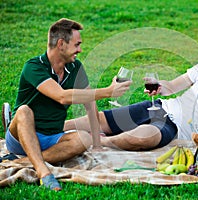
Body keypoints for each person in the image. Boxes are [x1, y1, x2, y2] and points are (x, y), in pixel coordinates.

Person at [64, 29, 198, 151]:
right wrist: (161, 86)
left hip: (175, 126)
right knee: (102, 119)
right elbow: (174, 85)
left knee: (143, 137)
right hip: (160, 106)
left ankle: (99, 141)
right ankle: (55, 127)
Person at [1, 18, 131, 191]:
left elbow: (90, 104)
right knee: (24, 111)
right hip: (21, 137)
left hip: (52, 137)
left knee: (85, 138)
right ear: (61, 44)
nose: (80, 50)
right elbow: (61, 96)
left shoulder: (76, 67)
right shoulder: (33, 67)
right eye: (77, 44)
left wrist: (97, 145)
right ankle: (43, 172)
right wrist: (108, 91)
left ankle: (20, 161)